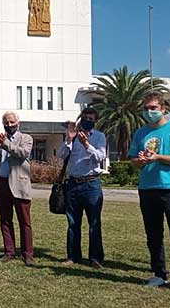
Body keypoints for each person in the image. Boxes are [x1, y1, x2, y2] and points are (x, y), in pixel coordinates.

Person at [129, 92, 170, 293]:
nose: (149, 112)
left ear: (163, 109)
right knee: (153, 234)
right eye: (146, 108)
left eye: (153, 108)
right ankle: (159, 273)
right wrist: (139, 162)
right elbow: (133, 161)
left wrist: (157, 157)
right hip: (148, 189)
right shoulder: (140, 133)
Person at [57, 107, 107, 268]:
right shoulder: (73, 136)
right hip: (73, 184)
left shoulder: (99, 137)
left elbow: (100, 157)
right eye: (85, 118)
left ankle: (95, 258)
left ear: (95, 121)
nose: (88, 121)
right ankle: (73, 256)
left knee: (94, 222)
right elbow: (61, 155)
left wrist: (87, 145)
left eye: (91, 119)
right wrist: (69, 140)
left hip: (91, 183)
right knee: (73, 222)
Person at [0, 111, 35, 266]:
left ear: (18, 123)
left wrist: (5, 144)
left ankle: (27, 253)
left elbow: (22, 153)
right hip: (2, 183)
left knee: (24, 221)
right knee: (5, 220)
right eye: (6, 123)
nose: (9, 125)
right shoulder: (1, 140)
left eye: (11, 122)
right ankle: (9, 251)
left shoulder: (25, 138)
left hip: (19, 184)